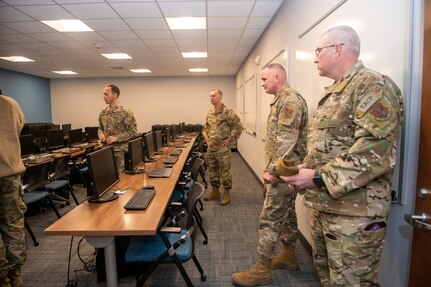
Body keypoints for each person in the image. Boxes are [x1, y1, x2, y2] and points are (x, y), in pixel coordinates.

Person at [281, 25, 404, 286]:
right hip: (328, 207)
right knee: (329, 280)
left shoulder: (372, 85)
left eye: (318, 51)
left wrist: (315, 177)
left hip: (355, 215)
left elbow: (377, 152)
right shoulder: (335, 91)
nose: (314, 58)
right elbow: (335, 145)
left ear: (337, 49)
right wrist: (307, 167)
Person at [231, 63, 308, 286]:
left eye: (265, 79)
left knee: (269, 219)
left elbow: (286, 141)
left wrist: (273, 172)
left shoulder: (290, 100)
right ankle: (289, 255)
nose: (263, 84)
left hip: (282, 173)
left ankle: (262, 268)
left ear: (277, 77)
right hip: (285, 172)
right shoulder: (281, 100)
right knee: (287, 215)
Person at [0, 95, 27, 287]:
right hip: (10, 173)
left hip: (8, 173)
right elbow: (19, 127)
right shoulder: (10, 104)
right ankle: (16, 274)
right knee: (13, 226)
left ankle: (3, 279)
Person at [201, 89, 243, 205]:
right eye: (210, 96)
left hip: (223, 149)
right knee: (212, 171)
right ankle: (215, 191)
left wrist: (229, 139)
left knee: (225, 171)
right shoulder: (210, 112)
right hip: (211, 148)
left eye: (213, 96)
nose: (211, 98)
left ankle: (226, 193)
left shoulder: (228, 112)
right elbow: (205, 128)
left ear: (220, 97)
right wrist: (206, 138)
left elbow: (238, 127)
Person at [98, 84, 138, 174]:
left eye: (106, 94)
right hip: (105, 150)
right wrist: (100, 134)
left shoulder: (125, 112)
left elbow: (133, 131)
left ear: (115, 95)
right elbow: (100, 127)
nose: (103, 97)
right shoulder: (103, 113)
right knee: (106, 178)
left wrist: (117, 138)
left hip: (120, 152)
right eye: (103, 94)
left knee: (120, 180)